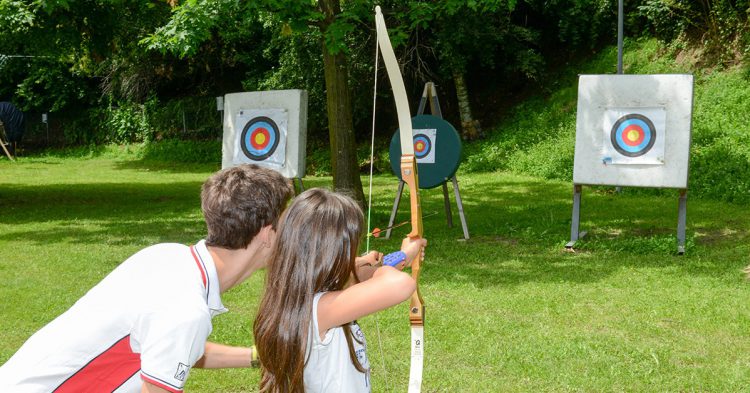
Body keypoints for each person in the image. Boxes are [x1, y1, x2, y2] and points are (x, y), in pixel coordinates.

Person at [0, 164, 294, 393]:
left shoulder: (168, 257)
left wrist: (258, 357)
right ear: (267, 235)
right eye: (287, 224)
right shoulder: (185, 310)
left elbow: (168, 346)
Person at [253, 188, 426, 393]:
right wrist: (403, 257)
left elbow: (364, 276)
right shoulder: (320, 309)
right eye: (351, 249)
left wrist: (395, 257)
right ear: (331, 256)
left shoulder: (297, 302)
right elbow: (400, 284)